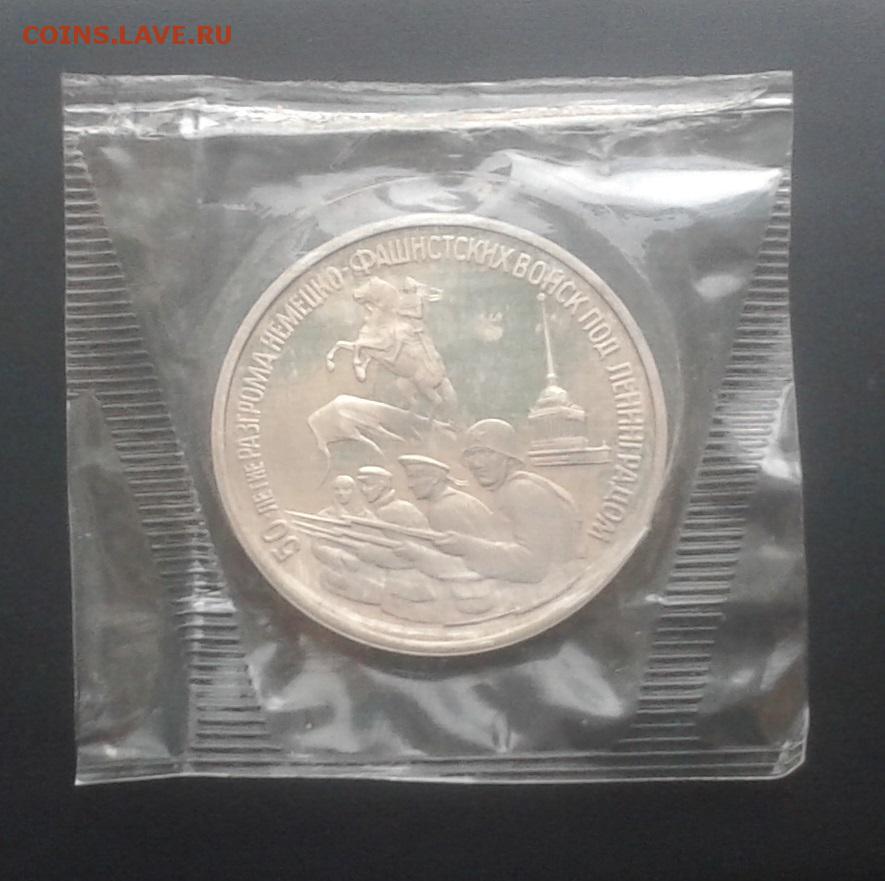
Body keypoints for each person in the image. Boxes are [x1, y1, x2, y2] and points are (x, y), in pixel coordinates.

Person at [431, 419, 582, 583]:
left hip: (548, 586)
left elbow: (534, 565)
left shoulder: (522, 490)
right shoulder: (511, 489)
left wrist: (467, 546)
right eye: (470, 454)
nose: (476, 463)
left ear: (509, 458)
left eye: (487, 453)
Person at [397, 454, 497, 538]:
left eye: (414, 477)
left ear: (434, 478)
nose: (410, 485)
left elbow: (452, 552)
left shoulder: (441, 510)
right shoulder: (463, 500)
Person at [355, 466, 428, 529]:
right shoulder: (378, 509)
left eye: (368, 485)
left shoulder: (402, 509)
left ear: (382, 485)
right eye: (362, 485)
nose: (363, 490)